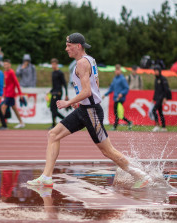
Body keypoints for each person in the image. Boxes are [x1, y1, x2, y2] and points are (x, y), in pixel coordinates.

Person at [27, 33, 152, 188]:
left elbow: (87, 91)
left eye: (68, 45)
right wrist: (80, 102)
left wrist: (68, 102)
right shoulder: (90, 60)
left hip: (91, 112)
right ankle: (46, 177)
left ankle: (141, 175)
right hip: (84, 109)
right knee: (53, 134)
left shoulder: (81, 63)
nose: (66, 49)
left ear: (78, 46)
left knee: (107, 151)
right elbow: (94, 86)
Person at [0, 59, 26, 129]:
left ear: (10, 65)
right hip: (8, 93)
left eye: (7, 64)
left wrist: (20, 93)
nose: (5, 66)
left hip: (11, 94)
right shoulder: (5, 72)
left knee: (3, 108)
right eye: (4, 64)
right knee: (14, 109)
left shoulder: (12, 72)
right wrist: (4, 93)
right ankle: (21, 122)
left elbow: (16, 83)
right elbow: (7, 85)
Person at [102, 64, 132, 130]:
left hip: (120, 99)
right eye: (116, 70)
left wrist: (122, 93)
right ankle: (129, 122)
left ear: (120, 70)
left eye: (118, 70)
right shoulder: (115, 79)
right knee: (118, 113)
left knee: (117, 113)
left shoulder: (122, 79)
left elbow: (126, 88)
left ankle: (115, 126)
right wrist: (105, 94)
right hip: (115, 98)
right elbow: (111, 88)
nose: (117, 71)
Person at [49, 58, 68, 129]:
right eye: (52, 64)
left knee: (53, 109)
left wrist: (66, 94)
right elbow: (54, 85)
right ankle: (55, 124)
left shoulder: (60, 73)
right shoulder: (53, 72)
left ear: (56, 64)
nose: (53, 65)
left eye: (54, 64)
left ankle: (63, 121)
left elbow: (64, 84)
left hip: (58, 92)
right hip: (54, 92)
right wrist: (50, 91)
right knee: (52, 109)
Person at [151, 65, 170, 132]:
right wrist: (153, 98)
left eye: (157, 71)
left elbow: (166, 89)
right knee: (160, 112)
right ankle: (164, 127)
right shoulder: (156, 79)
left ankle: (157, 125)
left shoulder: (163, 79)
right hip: (157, 97)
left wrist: (165, 97)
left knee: (153, 110)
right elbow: (156, 90)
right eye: (155, 71)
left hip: (161, 98)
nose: (156, 72)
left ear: (159, 71)